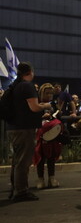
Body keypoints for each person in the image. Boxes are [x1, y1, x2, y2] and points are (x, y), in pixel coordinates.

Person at [6, 62, 52, 201]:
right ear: (29, 72)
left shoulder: (15, 86)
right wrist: (46, 105)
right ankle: (21, 192)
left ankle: (16, 189)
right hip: (24, 128)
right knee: (23, 161)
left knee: (17, 160)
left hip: (14, 127)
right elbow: (34, 107)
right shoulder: (26, 86)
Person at [34, 83, 63, 189]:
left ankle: (52, 178)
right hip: (40, 133)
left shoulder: (54, 104)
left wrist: (53, 116)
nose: (50, 95)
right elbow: (33, 116)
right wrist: (42, 116)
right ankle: (40, 179)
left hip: (52, 134)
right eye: (47, 93)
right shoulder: (37, 104)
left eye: (51, 93)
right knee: (40, 156)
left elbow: (59, 116)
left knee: (51, 156)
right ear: (42, 93)